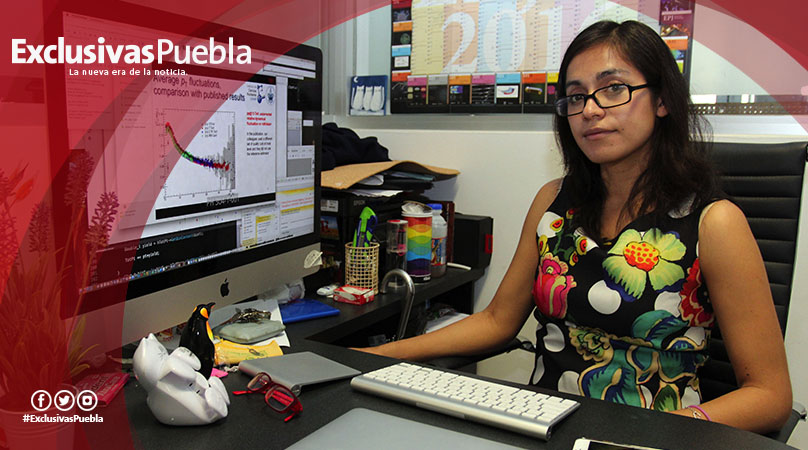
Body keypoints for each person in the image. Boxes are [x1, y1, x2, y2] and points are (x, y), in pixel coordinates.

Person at [357, 20, 792, 433]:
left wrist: (668, 433)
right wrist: (379, 357)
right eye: (576, 96)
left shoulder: (713, 222)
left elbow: (770, 396)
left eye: (614, 89)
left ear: (662, 101)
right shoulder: (554, 203)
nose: (591, 110)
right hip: (543, 426)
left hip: (655, 436)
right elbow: (497, 320)